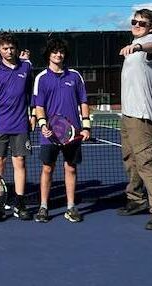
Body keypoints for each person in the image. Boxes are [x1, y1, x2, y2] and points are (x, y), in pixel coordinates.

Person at [118, 9, 152, 230]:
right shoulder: (134, 43)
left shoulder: (150, 44)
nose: (137, 24)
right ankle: (136, 200)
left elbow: (151, 47)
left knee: (147, 163)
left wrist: (137, 46)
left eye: (143, 23)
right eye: (135, 21)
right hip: (128, 115)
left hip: (142, 116)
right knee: (130, 160)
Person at [33, 39, 90, 223]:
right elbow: (39, 106)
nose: (59, 55)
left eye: (61, 52)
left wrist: (86, 126)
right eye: (55, 52)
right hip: (50, 134)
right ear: (48, 54)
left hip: (73, 133)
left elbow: (83, 102)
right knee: (47, 169)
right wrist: (43, 125)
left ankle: (71, 207)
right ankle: (43, 207)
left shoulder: (74, 76)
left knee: (70, 168)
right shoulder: (41, 78)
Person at [0, 32, 34, 221]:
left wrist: (33, 114)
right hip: (0, 125)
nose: (9, 51)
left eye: (12, 48)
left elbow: (31, 93)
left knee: (20, 162)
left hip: (20, 124)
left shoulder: (27, 67)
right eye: (5, 48)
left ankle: (20, 203)